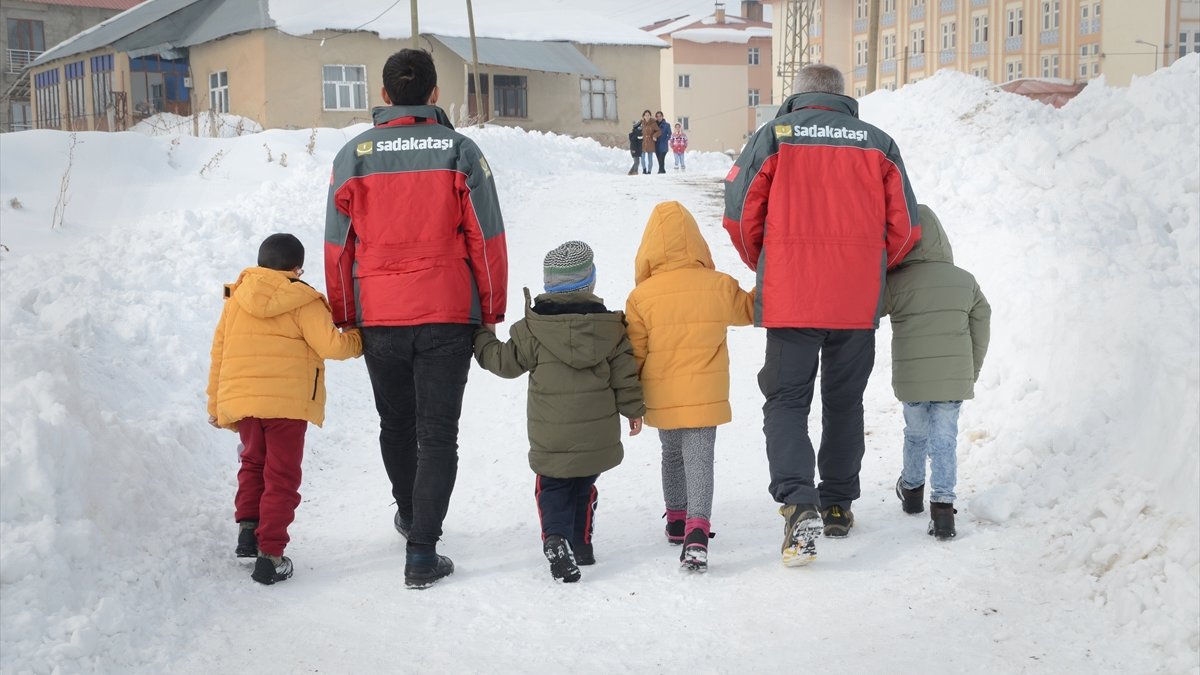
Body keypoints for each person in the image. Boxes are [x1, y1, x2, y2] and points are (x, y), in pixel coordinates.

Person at [721, 63, 920, 566]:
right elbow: (905, 229)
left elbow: (740, 213)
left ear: (797, 96)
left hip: (793, 295)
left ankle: (797, 503)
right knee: (844, 400)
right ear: (841, 97)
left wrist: (768, 260)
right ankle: (836, 503)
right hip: (855, 299)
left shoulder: (775, 136)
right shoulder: (878, 143)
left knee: (786, 399)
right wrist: (869, 267)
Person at [324, 49, 508, 589]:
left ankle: (410, 515)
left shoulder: (352, 155)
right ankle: (423, 550)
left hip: (380, 315)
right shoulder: (460, 151)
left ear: (384, 96)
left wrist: (345, 313)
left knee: (396, 424)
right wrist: (490, 310)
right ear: (433, 95)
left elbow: (339, 245)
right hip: (448, 313)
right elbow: (486, 236)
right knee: (438, 432)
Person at [473, 241, 645, 583]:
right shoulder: (610, 329)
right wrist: (633, 410)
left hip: (551, 433)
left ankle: (556, 538)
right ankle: (581, 546)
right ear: (591, 282)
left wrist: (480, 336)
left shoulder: (533, 330)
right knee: (584, 482)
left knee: (552, 486)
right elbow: (625, 374)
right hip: (595, 434)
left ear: (548, 285)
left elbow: (504, 363)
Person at [207, 233, 363, 585]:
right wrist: (357, 339)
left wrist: (216, 403)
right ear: (297, 269)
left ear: (260, 263)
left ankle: (248, 533)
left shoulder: (236, 298)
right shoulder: (303, 300)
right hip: (287, 405)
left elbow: (219, 351)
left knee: (252, 463)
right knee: (281, 475)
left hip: (244, 402)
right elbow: (332, 346)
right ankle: (271, 555)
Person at [624, 202, 753, 572]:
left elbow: (633, 354)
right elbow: (751, 310)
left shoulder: (641, 297)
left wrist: (631, 402)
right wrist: (767, 271)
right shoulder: (718, 286)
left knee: (671, 455)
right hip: (704, 397)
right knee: (700, 458)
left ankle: (677, 520)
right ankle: (698, 529)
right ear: (697, 242)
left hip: (661, 398)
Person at [882, 204, 990, 541]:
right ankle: (943, 511)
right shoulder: (964, 281)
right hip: (953, 378)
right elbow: (982, 322)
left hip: (912, 382)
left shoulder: (895, 283)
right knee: (944, 441)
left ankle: (912, 491)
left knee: (915, 433)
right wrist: (970, 369)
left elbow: (870, 313)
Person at [639, 110, 661, 175]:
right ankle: (644, 169)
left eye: (648, 115)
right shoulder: (642, 123)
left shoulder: (653, 123)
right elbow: (638, 130)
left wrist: (654, 136)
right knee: (642, 158)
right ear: (643, 116)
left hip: (650, 142)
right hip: (643, 142)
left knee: (650, 158)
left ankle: (649, 171)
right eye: (646, 115)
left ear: (650, 116)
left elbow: (659, 131)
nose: (647, 116)